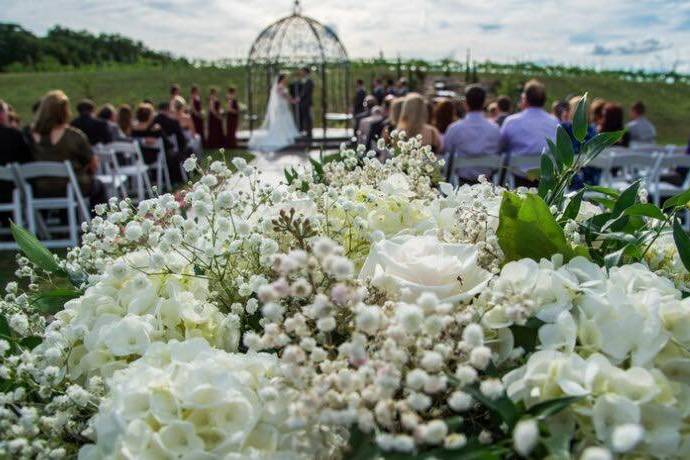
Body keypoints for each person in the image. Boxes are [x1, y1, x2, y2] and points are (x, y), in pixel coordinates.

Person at [27, 90, 106, 205]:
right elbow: (93, 165)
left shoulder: (28, 136)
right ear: (64, 111)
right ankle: (98, 220)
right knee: (99, 186)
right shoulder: (74, 135)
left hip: (40, 189)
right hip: (71, 188)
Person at [500, 79, 559, 184]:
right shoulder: (554, 122)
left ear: (525, 98)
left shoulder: (511, 121)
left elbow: (501, 147)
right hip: (546, 181)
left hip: (518, 180)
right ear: (544, 100)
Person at [443, 85, 500, 183]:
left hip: (459, 184)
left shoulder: (454, 129)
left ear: (465, 103)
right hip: (487, 187)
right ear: (484, 103)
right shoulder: (495, 129)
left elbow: (447, 151)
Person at [248, 74, 300, 152]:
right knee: (282, 120)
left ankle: (286, 135)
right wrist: (293, 100)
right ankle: (283, 135)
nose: (286, 79)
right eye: (285, 78)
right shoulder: (280, 86)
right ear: (282, 79)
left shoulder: (280, 86)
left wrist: (291, 100)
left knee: (284, 120)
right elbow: (284, 96)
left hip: (283, 106)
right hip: (281, 106)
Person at [0, 99, 32, 166]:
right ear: (1, 115)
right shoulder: (14, 135)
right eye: (6, 112)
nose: (8, 115)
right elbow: (28, 161)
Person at [297, 67, 314, 139]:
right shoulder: (302, 81)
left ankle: (309, 132)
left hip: (307, 102)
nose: (301, 73)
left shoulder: (310, 82)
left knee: (308, 117)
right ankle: (303, 131)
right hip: (302, 103)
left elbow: (305, 92)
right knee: (303, 117)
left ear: (306, 72)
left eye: (302, 72)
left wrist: (299, 98)